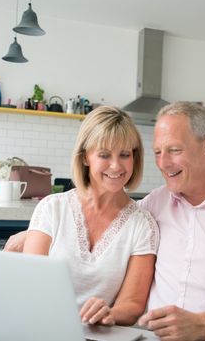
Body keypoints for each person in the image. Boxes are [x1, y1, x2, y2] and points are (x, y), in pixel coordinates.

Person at [6, 102, 205, 341]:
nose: (164, 163)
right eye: (158, 152)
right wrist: (33, 233)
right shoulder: (156, 204)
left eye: (175, 150)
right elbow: (106, 215)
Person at [19, 105, 159, 326]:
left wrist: (109, 314)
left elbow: (132, 305)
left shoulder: (143, 225)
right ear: (85, 157)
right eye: (104, 154)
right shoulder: (51, 208)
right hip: (44, 327)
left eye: (125, 154)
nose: (116, 165)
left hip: (101, 335)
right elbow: (30, 284)